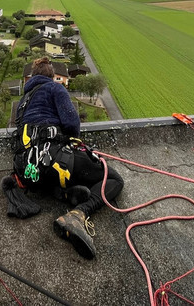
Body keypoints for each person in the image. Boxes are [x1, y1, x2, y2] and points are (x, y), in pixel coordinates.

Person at [7, 56, 124, 259]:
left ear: (32, 78)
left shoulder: (23, 102)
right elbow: (72, 125)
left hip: (27, 172)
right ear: (52, 76)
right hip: (53, 161)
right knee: (114, 179)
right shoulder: (54, 88)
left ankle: (62, 193)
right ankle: (78, 214)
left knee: (53, 173)